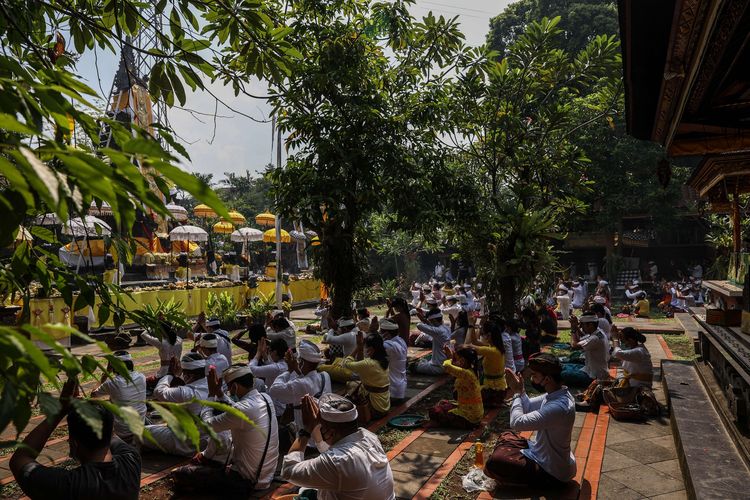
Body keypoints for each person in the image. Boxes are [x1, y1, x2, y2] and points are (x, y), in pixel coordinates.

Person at [11, 377, 142, 500]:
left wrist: (60, 410)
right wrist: (92, 409)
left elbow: (19, 458)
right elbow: (109, 433)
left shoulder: (66, 485)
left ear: (74, 444)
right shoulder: (131, 460)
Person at [172, 365, 279, 495]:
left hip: (248, 481)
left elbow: (206, 425)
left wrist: (211, 396)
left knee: (180, 474)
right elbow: (237, 408)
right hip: (266, 474)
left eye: (228, 387)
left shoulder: (242, 409)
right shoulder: (265, 398)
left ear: (234, 387)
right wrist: (220, 394)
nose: (228, 390)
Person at [484, 353, 576, 487]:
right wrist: (521, 391)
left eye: (535, 375)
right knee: (506, 436)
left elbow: (517, 423)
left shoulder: (559, 407)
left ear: (547, 379)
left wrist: (516, 393)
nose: (532, 378)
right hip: (542, 453)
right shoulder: (555, 394)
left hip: (552, 470)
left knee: (495, 462)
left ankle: (536, 482)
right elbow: (527, 407)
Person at [281, 393, 395, 499]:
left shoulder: (337, 461)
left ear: (330, 432)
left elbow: (288, 471)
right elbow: (326, 448)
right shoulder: (368, 437)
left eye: (321, 426)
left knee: (305, 489)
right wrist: (316, 426)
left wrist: (306, 430)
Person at [144, 353, 224, 457]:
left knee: (142, 432)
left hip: (187, 443)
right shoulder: (213, 385)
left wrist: (170, 374)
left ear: (189, 375)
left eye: (182, 372)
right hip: (209, 439)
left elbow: (158, 391)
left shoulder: (187, 392)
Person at [268, 340, 332, 450]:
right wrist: (297, 369)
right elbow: (306, 381)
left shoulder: (301, 384)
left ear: (302, 362)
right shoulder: (325, 376)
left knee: (273, 439)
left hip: (308, 441)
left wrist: (289, 370)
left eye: (299, 360)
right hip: (324, 433)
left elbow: (274, 390)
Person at [90, 351, 147, 441]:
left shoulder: (112, 383)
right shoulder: (142, 377)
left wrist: (105, 374)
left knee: (96, 406)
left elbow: (93, 394)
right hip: (140, 428)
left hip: (122, 432)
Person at [429, 345, 484, 428]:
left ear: (462, 360)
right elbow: (454, 369)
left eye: (457, 359)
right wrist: (450, 356)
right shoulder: (471, 371)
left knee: (435, 411)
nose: (455, 362)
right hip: (473, 412)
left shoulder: (467, 373)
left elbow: (447, 366)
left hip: (470, 417)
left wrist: (449, 359)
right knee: (443, 403)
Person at [343, 332, 391, 421]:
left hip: (376, 410)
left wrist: (357, 347)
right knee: (356, 384)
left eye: (366, 347)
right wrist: (361, 347)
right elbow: (361, 364)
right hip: (385, 407)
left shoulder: (369, 364)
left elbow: (345, 363)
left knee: (351, 385)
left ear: (371, 349)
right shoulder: (383, 360)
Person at [565, 313, 609, 387]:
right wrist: (575, 327)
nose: (581, 327)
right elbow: (584, 337)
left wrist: (573, 329)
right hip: (590, 370)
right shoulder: (598, 332)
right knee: (563, 366)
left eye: (582, 325)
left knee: (562, 373)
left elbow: (574, 346)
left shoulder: (595, 338)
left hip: (594, 376)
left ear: (591, 325)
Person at [471, 320, 508, 408]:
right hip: (497, 389)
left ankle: (492, 402)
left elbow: (470, 345)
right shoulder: (494, 348)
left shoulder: (492, 351)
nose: (482, 336)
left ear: (489, 335)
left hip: (494, 391)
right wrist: (471, 325)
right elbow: (475, 341)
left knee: (466, 393)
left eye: (483, 333)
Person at [141, 322, 183, 387]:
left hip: (163, 374)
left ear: (162, 332)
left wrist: (152, 325)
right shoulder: (179, 340)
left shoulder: (162, 343)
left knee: (145, 382)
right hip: (178, 373)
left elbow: (143, 334)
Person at [411, 308, 451, 375]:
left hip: (438, 367)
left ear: (434, 320)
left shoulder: (438, 331)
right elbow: (433, 327)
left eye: (431, 321)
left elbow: (419, 325)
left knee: (412, 366)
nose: (430, 322)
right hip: (446, 363)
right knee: (424, 360)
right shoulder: (447, 328)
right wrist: (427, 321)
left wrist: (425, 319)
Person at [380, 318, 408, 404]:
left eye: (380, 332)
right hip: (401, 390)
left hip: (393, 393)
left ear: (386, 334)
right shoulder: (401, 341)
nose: (379, 334)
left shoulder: (388, 345)